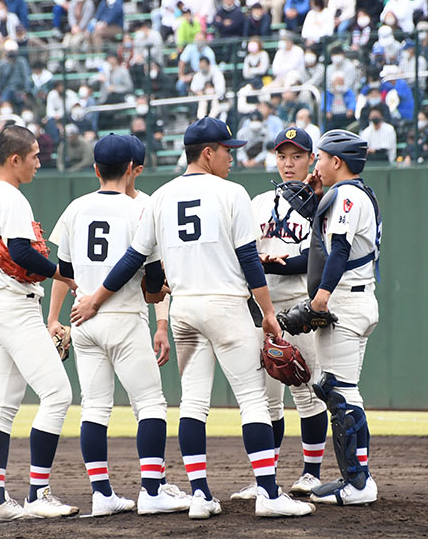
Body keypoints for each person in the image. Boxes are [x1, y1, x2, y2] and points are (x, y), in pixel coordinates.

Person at [69, 117, 316, 519]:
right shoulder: (231, 193)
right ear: (207, 153)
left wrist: (96, 298)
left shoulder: (160, 197)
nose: (231, 158)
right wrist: (269, 312)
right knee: (252, 400)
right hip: (225, 306)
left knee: (193, 404)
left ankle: (200, 494)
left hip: (183, 308)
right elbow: (249, 259)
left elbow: (133, 257)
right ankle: (269, 495)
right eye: (226, 150)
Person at [46, 133, 191, 517]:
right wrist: (155, 294)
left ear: (95, 169)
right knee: (150, 405)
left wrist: (57, 317)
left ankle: (101, 494)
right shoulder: (139, 211)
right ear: (131, 169)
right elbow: (155, 282)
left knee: (94, 407)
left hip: (83, 320)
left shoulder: (75, 208)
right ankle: (153, 490)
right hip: (124, 319)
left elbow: (65, 271)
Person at [0, 126, 78, 523]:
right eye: (34, 156)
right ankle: (37, 493)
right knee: (58, 395)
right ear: (14, 160)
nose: (38, 162)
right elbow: (22, 251)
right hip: (15, 309)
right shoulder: (9, 196)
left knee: (2, 406)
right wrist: (63, 273)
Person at [229, 128, 330, 502]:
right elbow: (244, 252)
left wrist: (279, 262)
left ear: (310, 159)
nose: (289, 164)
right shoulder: (258, 202)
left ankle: (310, 474)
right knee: (266, 397)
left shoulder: (321, 203)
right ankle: (265, 479)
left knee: (308, 390)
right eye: (283, 156)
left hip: (301, 306)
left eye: (297, 156)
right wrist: (261, 261)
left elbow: (318, 256)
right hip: (263, 307)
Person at [301, 129, 381, 507]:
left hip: (346, 302)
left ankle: (358, 484)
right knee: (345, 391)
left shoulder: (348, 194)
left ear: (336, 161)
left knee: (337, 391)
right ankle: (358, 476)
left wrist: (321, 298)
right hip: (358, 300)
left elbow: (339, 251)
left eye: (319, 157)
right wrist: (316, 197)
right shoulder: (353, 192)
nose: (315, 164)